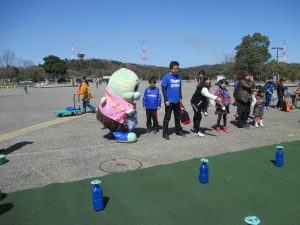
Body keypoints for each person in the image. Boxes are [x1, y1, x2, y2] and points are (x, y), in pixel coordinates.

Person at [161, 61, 185, 140]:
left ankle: (178, 130)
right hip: (169, 101)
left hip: (177, 101)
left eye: (178, 68)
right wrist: (166, 100)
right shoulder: (166, 77)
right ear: (171, 69)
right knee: (167, 118)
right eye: (175, 68)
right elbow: (163, 89)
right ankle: (165, 133)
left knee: (177, 117)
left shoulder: (178, 77)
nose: (177, 70)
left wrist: (180, 97)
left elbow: (179, 87)